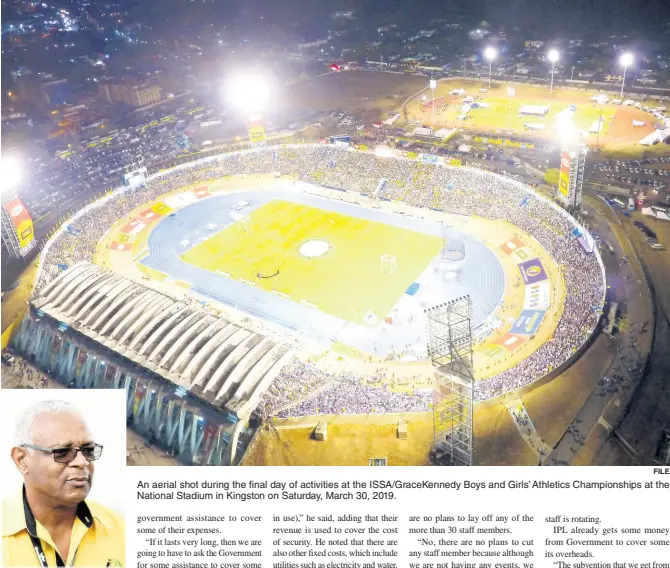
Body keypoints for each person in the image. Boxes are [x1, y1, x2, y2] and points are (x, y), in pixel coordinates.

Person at [2, 400, 125, 567]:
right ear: (22, 460)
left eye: (88, 450)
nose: (82, 462)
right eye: (62, 452)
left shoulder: (121, 530)